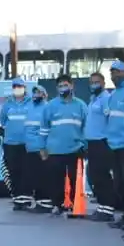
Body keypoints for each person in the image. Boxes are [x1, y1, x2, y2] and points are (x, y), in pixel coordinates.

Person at [39, 73, 88, 214]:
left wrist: (86, 145)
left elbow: (86, 127)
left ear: (72, 86)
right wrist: (42, 148)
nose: (63, 88)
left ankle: (75, 204)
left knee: (75, 179)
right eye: (60, 86)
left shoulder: (81, 106)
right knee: (55, 180)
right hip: (54, 150)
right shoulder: (50, 106)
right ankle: (57, 205)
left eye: (65, 85)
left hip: (76, 149)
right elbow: (43, 129)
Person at [0, 77, 30, 209]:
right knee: (13, 172)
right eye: (15, 86)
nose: (17, 89)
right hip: (10, 144)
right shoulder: (7, 105)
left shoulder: (31, 103)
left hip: (27, 143)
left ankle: (26, 199)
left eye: (20, 86)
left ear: (24, 88)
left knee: (26, 172)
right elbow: (4, 122)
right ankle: (17, 200)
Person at [104, 62, 124, 224]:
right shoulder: (113, 95)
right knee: (119, 182)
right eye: (112, 72)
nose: (113, 75)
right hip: (114, 144)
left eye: (116, 72)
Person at [84, 70, 114, 218]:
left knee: (102, 176)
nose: (94, 85)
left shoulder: (105, 99)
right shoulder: (93, 99)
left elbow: (110, 119)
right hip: (92, 143)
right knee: (95, 176)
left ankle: (107, 208)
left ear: (103, 83)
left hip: (102, 142)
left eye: (97, 82)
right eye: (91, 82)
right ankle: (102, 207)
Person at [22, 84, 49, 212]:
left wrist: (44, 147)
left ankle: (46, 203)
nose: (35, 95)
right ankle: (39, 202)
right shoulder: (29, 108)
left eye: (38, 92)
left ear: (44, 95)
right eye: (34, 92)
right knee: (34, 177)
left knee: (43, 177)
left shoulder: (47, 108)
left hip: (41, 149)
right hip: (30, 149)